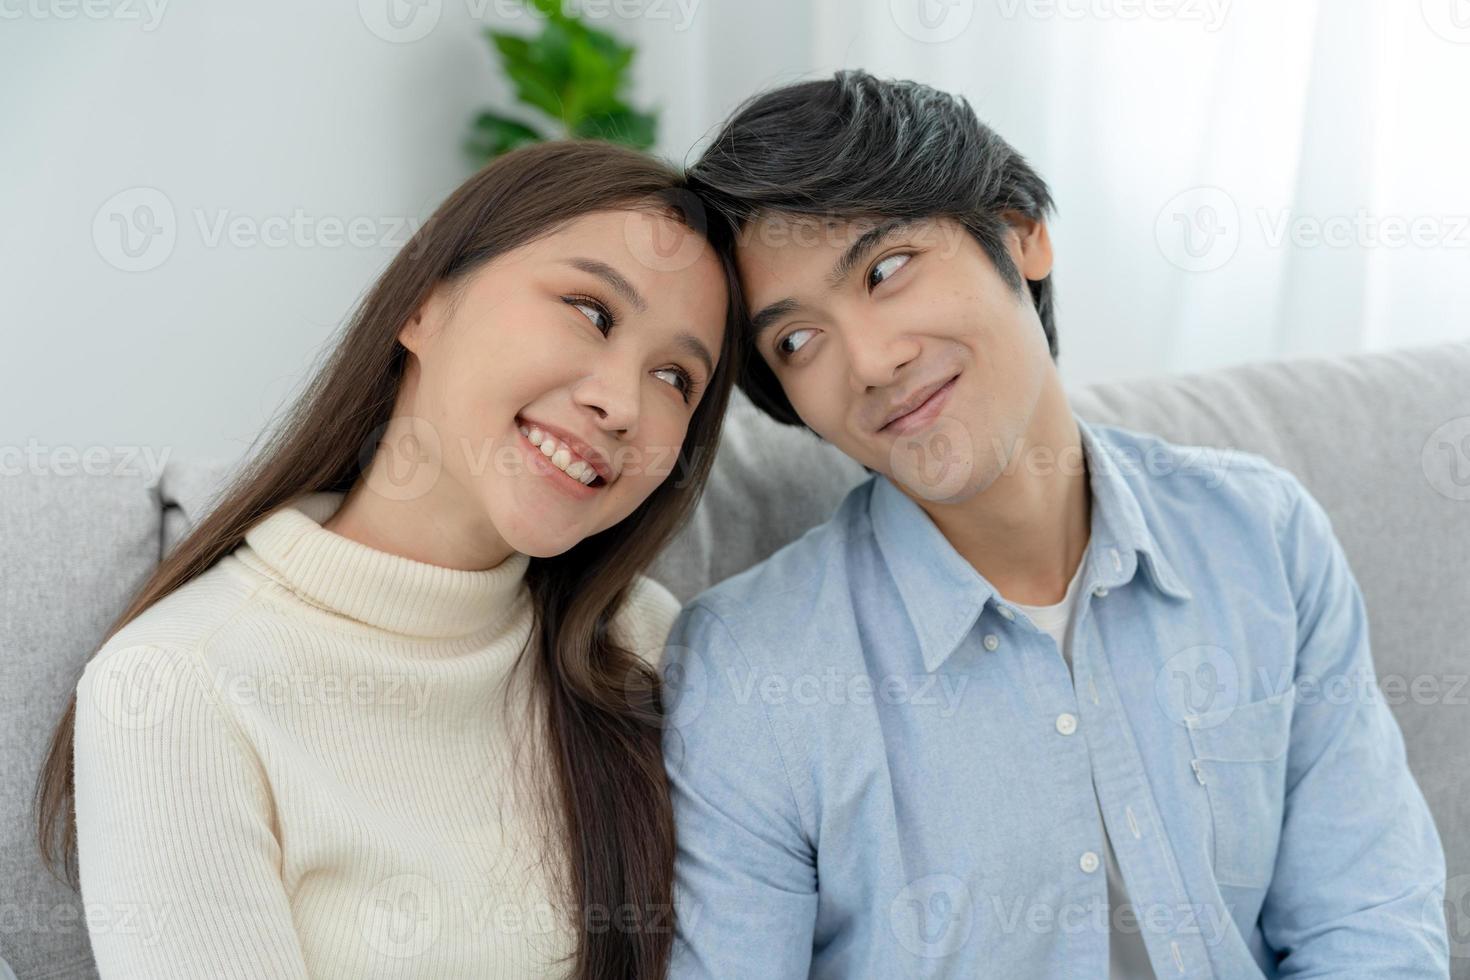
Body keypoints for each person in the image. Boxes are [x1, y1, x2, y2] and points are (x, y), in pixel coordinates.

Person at [662, 70, 1449, 978]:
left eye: (887, 270)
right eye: (797, 342)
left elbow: (1371, 926)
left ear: (1019, 232)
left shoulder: (1261, 538)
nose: (872, 362)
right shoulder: (744, 669)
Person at [34, 139, 741, 979]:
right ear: (424, 307)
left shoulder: (644, 643)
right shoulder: (177, 687)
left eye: (675, 378)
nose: (621, 404)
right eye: (591, 312)